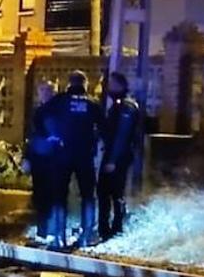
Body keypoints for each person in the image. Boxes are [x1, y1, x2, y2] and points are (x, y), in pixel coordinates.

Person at [44, 70, 103, 249]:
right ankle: (87, 236)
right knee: (88, 195)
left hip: (62, 154)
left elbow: (40, 116)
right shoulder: (92, 103)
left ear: (69, 83)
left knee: (59, 195)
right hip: (85, 156)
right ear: (85, 84)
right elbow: (104, 127)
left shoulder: (60, 100)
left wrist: (51, 135)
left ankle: (59, 236)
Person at [98, 72, 142, 241]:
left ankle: (115, 229)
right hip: (113, 155)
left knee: (115, 193)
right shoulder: (117, 105)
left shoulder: (127, 107)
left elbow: (122, 136)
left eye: (111, 84)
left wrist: (112, 160)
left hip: (118, 157)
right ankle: (106, 229)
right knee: (105, 192)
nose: (108, 87)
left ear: (120, 85)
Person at [24, 81, 58, 244]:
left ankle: (48, 231)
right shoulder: (38, 112)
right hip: (39, 160)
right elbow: (32, 137)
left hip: (52, 161)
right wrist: (27, 158)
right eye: (41, 91)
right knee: (40, 197)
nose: (43, 94)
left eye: (46, 91)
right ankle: (42, 231)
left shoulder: (57, 112)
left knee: (50, 197)